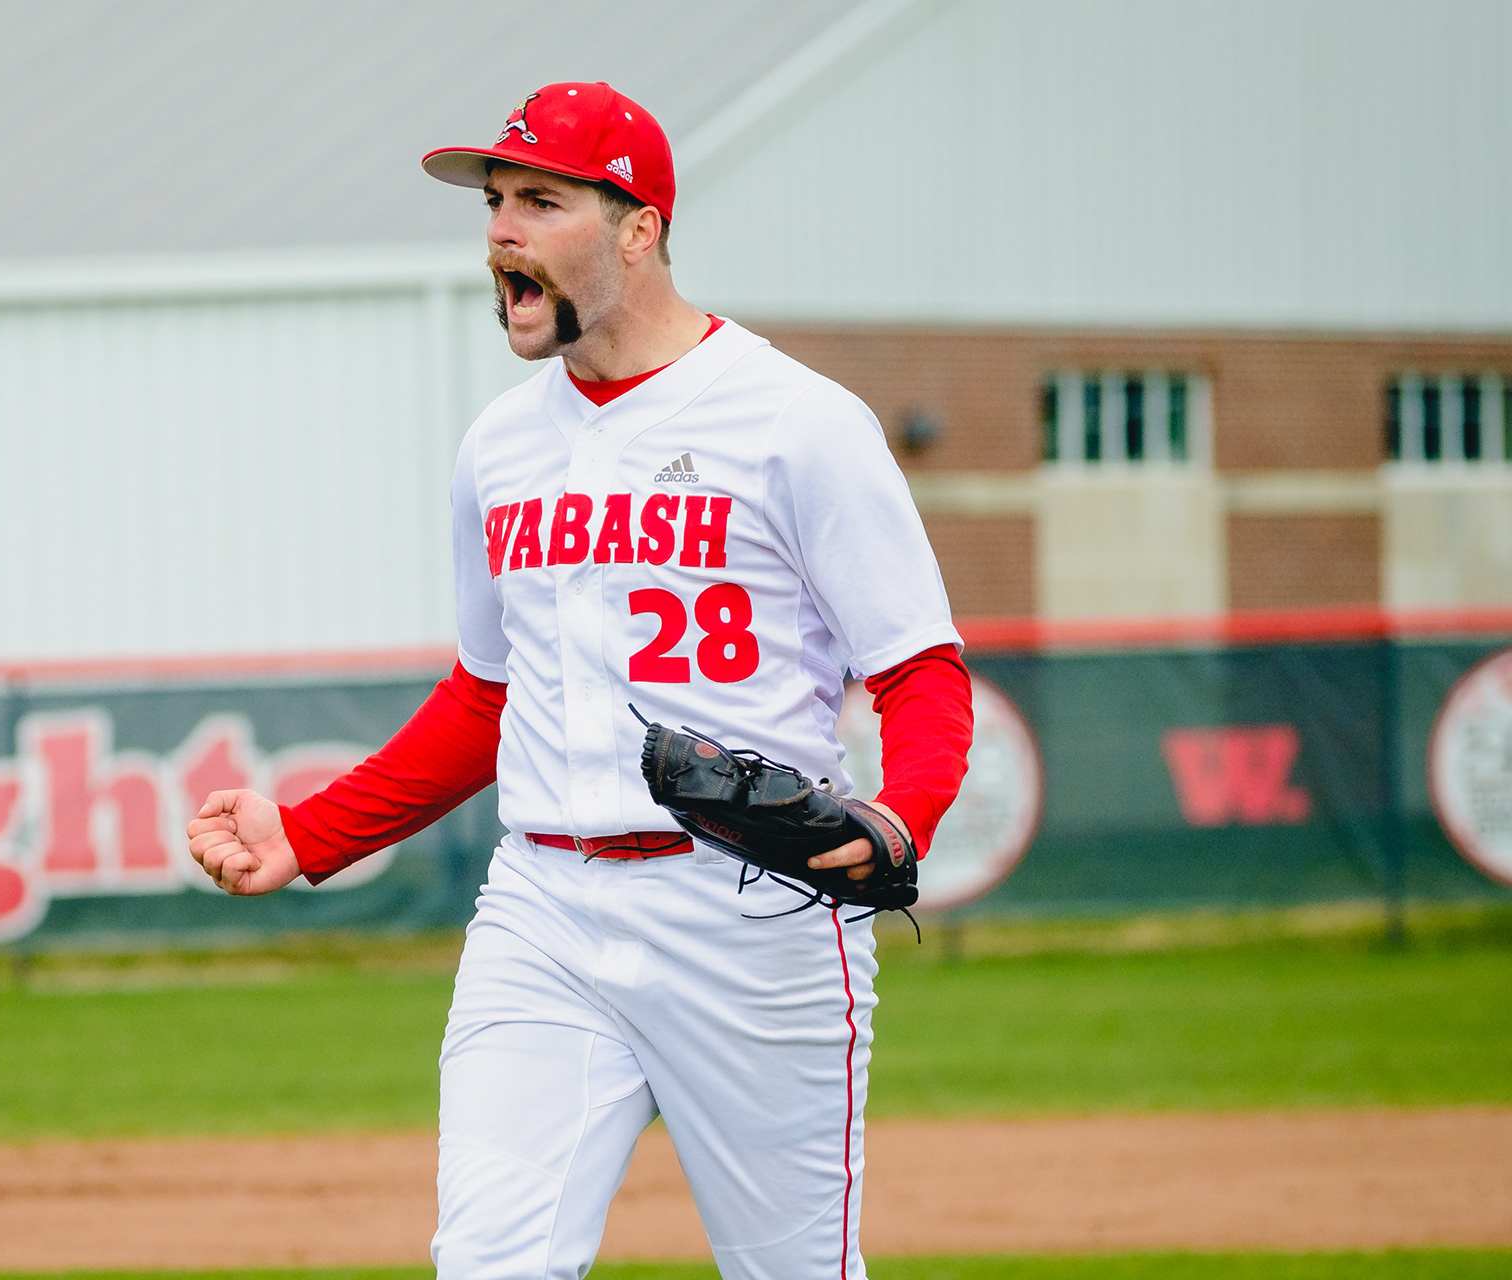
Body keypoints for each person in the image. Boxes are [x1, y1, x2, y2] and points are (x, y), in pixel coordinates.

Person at [187, 81, 974, 1280]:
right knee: (491, 1261)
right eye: (495, 200)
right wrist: (309, 833)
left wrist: (897, 815)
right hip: (543, 906)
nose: (502, 227)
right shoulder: (500, 446)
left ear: (638, 227)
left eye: (541, 200)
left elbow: (919, 671)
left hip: (750, 908)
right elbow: (486, 697)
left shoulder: (796, 422)